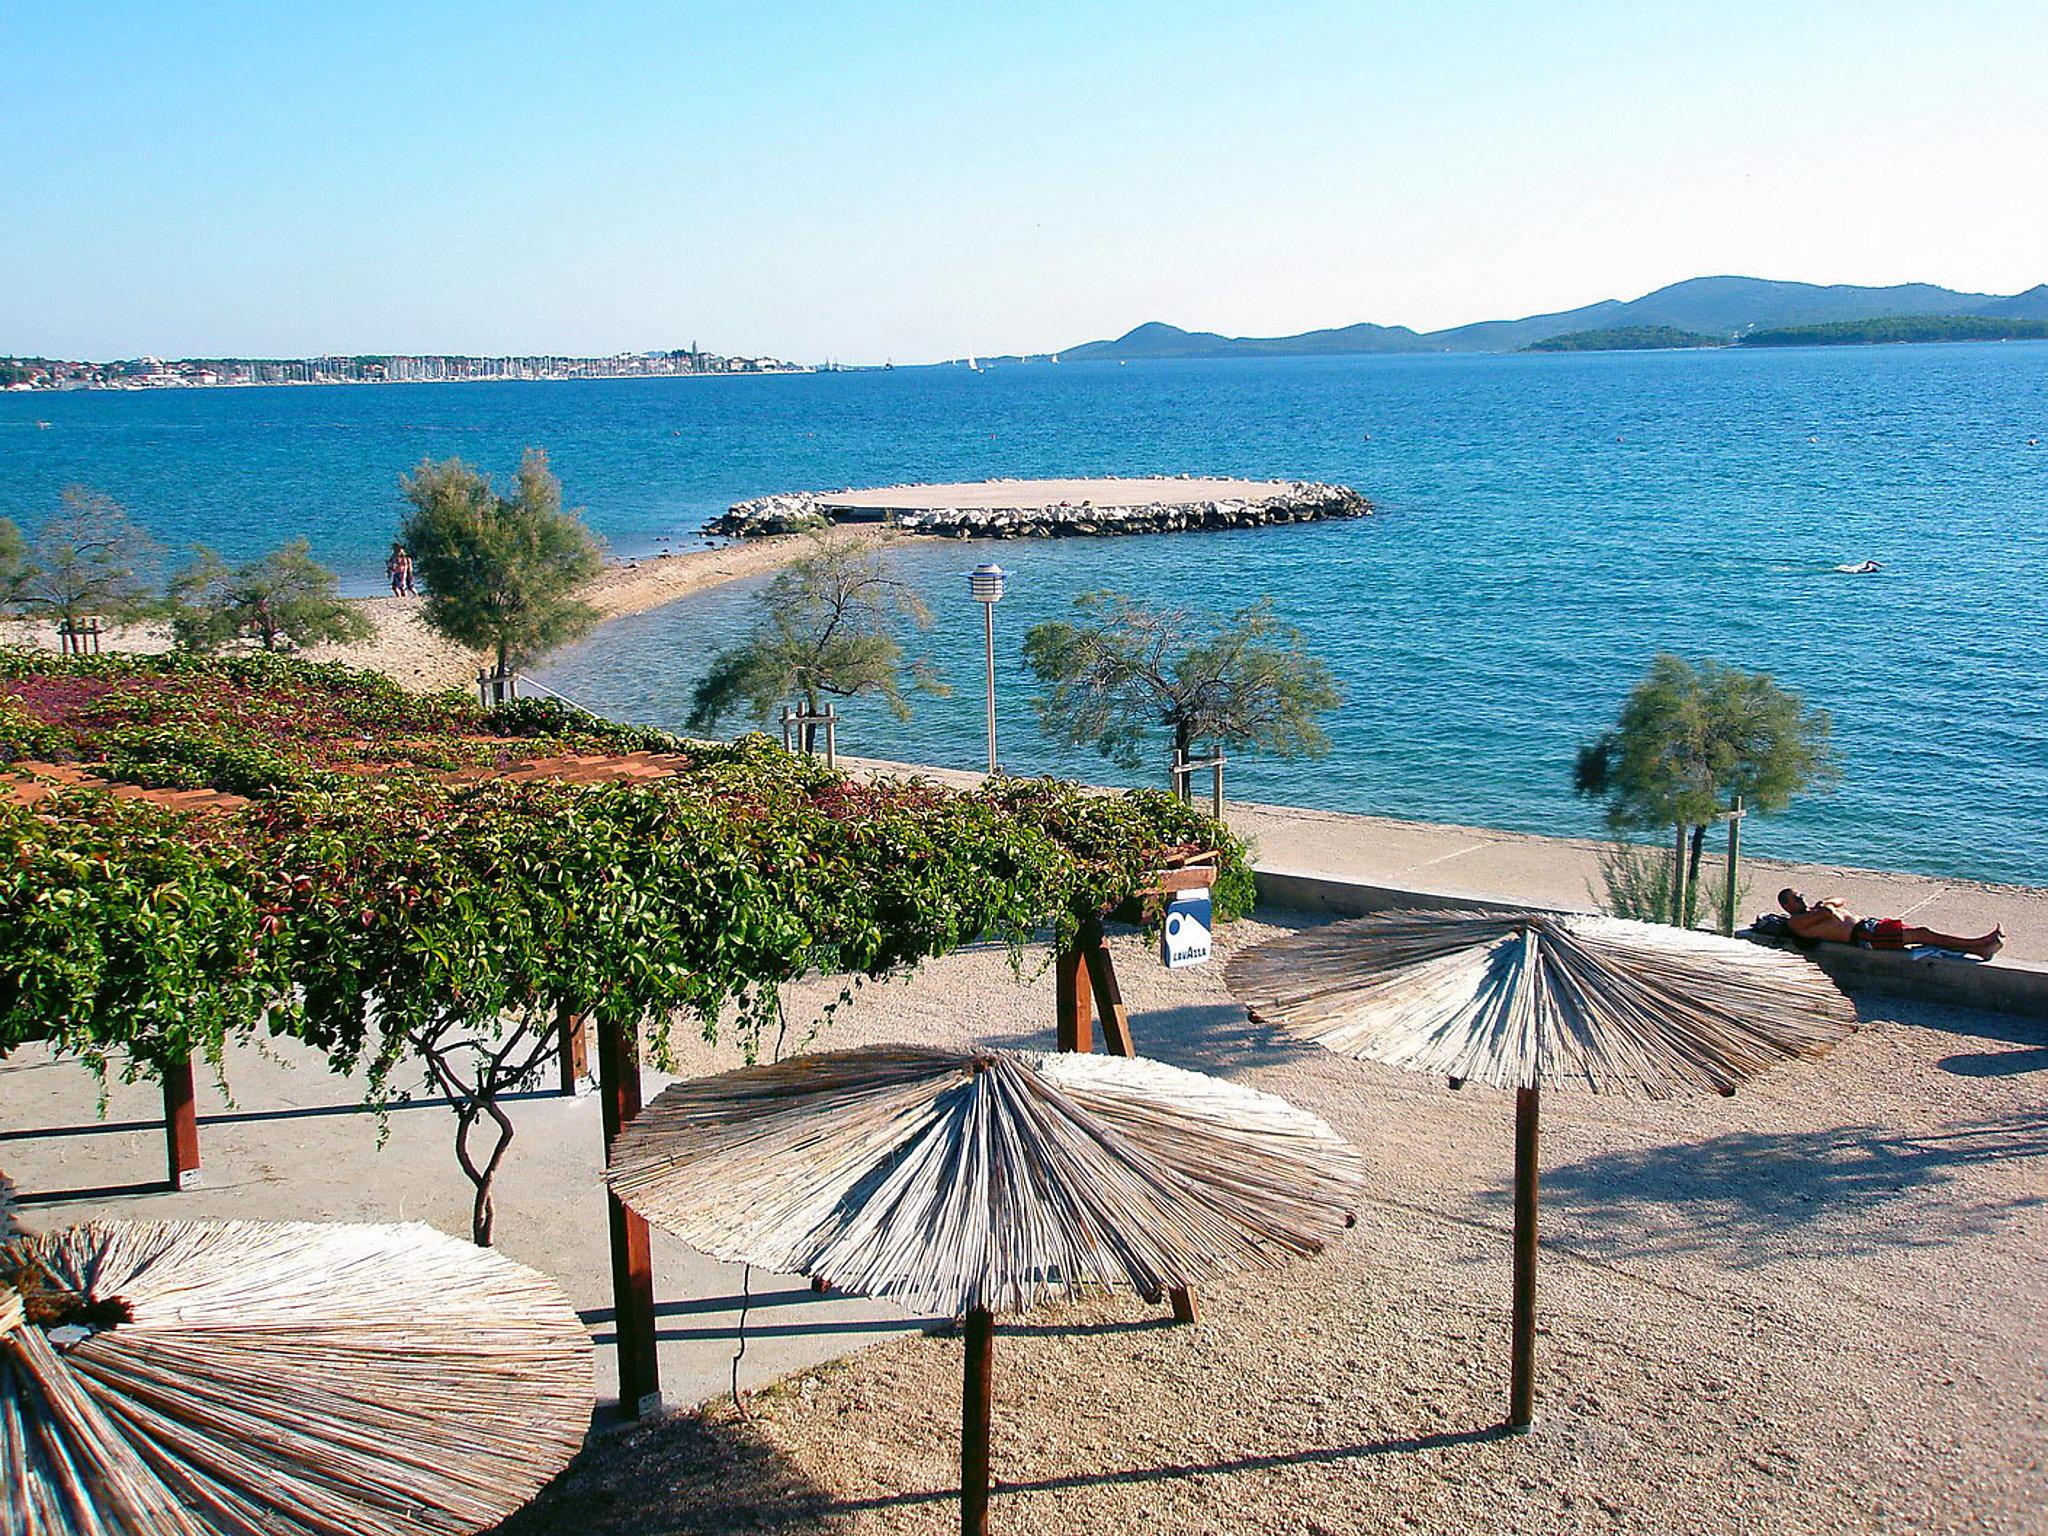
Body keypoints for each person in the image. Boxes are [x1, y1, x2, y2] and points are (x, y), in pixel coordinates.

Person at [1777, 888, 2004, 959]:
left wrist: (1825, 903)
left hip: (1871, 927)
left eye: (1800, 895)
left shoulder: (1812, 910)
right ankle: (1979, 946)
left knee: (1923, 934)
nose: (1801, 898)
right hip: (1867, 936)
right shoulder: (1797, 923)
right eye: (1796, 898)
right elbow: (1828, 910)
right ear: (1787, 906)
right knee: (1923, 934)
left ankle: (1979, 945)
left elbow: (1841, 900)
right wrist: (1824, 904)